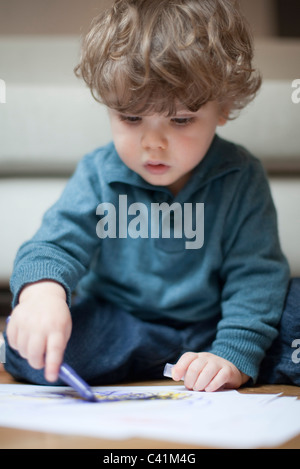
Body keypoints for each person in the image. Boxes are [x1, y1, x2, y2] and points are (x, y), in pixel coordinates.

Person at [4, 0, 292, 392]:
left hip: (215, 323)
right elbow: (53, 246)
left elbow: (255, 275)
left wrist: (233, 353)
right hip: (123, 323)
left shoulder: (240, 175)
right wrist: (42, 295)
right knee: (31, 348)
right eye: (131, 118)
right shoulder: (99, 173)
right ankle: (173, 362)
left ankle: (218, 364)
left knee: (289, 309)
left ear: (223, 108)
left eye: (180, 120)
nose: (152, 143)